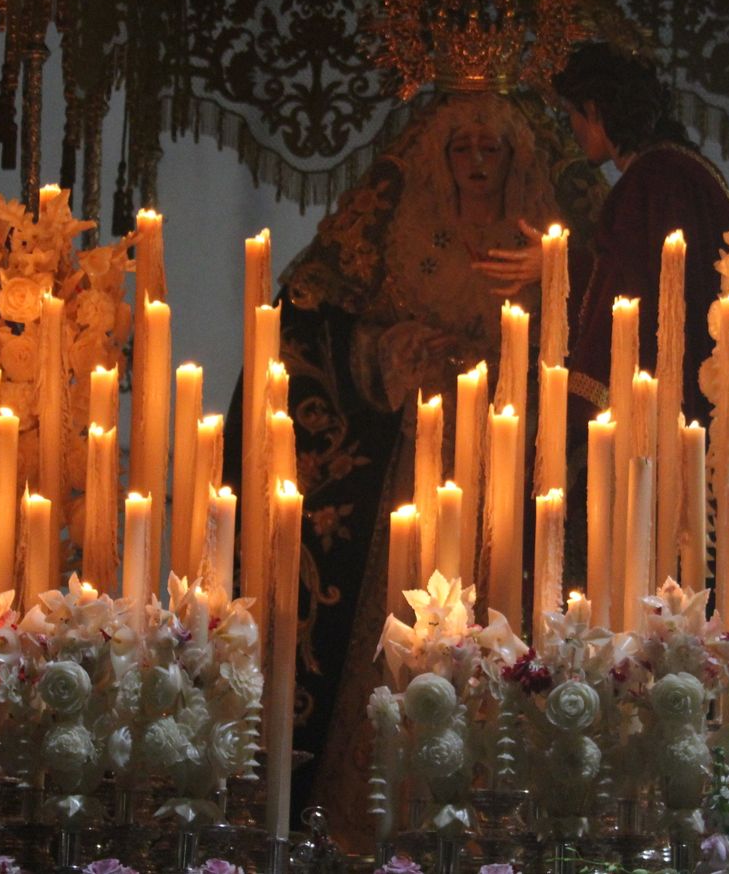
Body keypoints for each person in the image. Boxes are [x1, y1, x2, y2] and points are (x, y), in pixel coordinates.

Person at [224, 92, 566, 846]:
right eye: (462, 149)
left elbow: (591, 345)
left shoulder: (551, 236)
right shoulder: (387, 221)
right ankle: (365, 823)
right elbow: (311, 318)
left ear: (517, 160)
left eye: (492, 151)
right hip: (412, 461)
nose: (477, 164)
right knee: (397, 624)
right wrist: (381, 353)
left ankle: (496, 822)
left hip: (512, 463)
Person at [549, 41, 729, 427]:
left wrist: (557, 267)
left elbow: (630, 290)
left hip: (666, 401)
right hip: (710, 381)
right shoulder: (685, 168)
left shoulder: (649, 181)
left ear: (594, 110)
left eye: (573, 115)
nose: (573, 130)